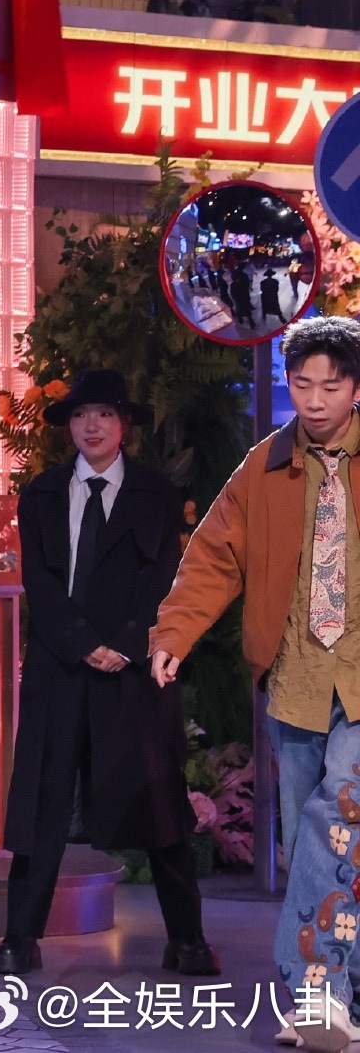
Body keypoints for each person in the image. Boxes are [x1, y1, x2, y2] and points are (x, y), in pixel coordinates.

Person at [150, 317, 360, 1041]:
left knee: (338, 817)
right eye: (302, 385)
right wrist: (175, 633)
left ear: (355, 387)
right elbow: (215, 557)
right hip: (295, 678)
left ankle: (318, 996)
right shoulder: (265, 467)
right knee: (312, 842)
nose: (315, 400)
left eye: (331, 385)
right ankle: (338, 993)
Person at [0, 369, 214, 978]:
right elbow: (40, 583)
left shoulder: (156, 493)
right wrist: (83, 643)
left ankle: (188, 939)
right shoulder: (42, 493)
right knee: (42, 802)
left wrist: (126, 644)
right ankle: (19, 937)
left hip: (134, 670)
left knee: (159, 799)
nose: (91, 426)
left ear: (125, 425)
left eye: (105, 414)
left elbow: (165, 579)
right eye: (81, 414)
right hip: (60, 666)